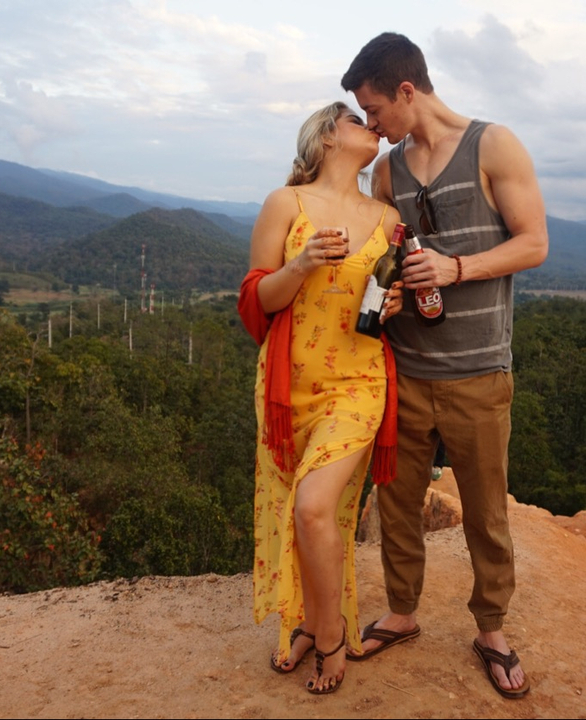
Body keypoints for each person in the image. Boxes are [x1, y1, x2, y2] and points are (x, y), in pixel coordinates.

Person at [340, 33, 549, 699]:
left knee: (486, 510)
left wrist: (457, 268)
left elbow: (535, 243)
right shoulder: (388, 172)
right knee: (396, 504)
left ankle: (491, 628)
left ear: (407, 91)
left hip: (479, 370)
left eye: (374, 110)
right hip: (406, 370)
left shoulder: (494, 145)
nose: (371, 126)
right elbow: (387, 258)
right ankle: (402, 613)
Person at [237, 101, 404, 695]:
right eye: (360, 121)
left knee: (314, 507)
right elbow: (257, 301)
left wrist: (395, 306)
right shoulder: (286, 204)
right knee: (303, 512)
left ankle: (329, 636)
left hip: (359, 385)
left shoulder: (389, 221)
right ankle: (306, 620)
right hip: (288, 389)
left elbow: (390, 305)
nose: (374, 128)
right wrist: (302, 263)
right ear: (329, 137)